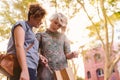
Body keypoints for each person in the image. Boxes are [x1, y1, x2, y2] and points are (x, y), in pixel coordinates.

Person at [7, 3, 46, 80]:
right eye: (39, 19)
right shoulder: (21, 25)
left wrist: (39, 57)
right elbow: (19, 45)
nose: (41, 22)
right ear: (31, 17)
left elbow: (28, 49)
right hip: (22, 68)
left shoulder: (32, 33)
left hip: (32, 69)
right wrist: (24, 71)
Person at [36, 12, 78, 80]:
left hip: (62, 71)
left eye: (59, 25)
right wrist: (40, 57)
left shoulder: (63, 37)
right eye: (55, 23)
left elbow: (67, 55)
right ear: (51, 20)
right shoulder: (40, 35)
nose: (56, 26)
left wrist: (73, 54)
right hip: (46, 71)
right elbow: (33, 51)